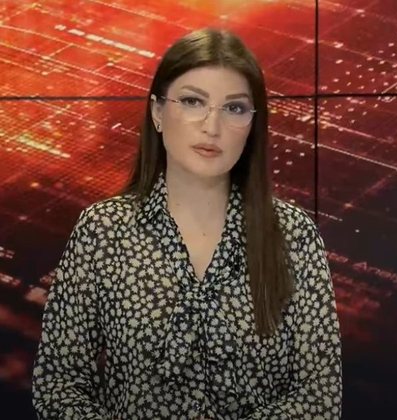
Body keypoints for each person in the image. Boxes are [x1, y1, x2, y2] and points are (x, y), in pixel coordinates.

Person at [31, 28, 342, 419]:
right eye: (194, 101)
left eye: (234, 108)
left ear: (252, 124)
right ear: (158, 112)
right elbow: (59, 385)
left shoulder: (293, 235)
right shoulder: (103, 230)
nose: (212, 126)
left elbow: (319, 396)